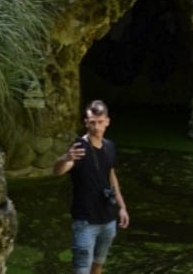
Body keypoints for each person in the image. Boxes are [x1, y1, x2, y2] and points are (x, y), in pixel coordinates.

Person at [54, 100, 129, 274]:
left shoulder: (110, 146)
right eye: (92, 122)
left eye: (100, 122)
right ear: (86, 122)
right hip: (85, 222)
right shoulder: (78, 148)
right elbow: (59, 171)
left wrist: (122, 207)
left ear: (107, 121)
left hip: (108, 220)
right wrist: (65, 158)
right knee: (81, 270)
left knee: (98, 265)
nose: (96, 127)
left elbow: (111, 176)